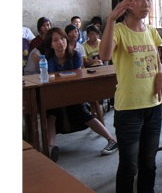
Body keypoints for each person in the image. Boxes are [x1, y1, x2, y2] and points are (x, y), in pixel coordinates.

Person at [98, 0, 162, 193]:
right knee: (129, 166)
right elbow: (104, 55)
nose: (146, 3)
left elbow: (156, 60)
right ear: (127, 3)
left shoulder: (151, 31)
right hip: (129, 109)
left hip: (153, 106)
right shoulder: (118, 30)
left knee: (148, 164)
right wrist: (110, 19)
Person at [43, 28, 118, 162]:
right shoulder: (48, 60)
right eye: (55, 40)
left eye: (62, 38)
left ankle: (112, 140)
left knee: (82, 112)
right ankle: (50, 147)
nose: (60, 42)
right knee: (51, 113)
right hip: (56, 95)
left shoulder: (75, 56)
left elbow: (76, 79)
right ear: (50, 44)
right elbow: (52, 85)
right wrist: (64, 113)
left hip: (74, 93)